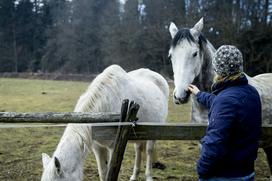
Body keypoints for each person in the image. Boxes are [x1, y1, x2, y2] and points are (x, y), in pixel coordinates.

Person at [188, 45, 262, 181]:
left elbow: (215, 143)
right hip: (247, 172)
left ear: (218, 70)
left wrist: (201, 170)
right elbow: (223, 103)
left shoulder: (225, 100)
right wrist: (199, 94)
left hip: (224, 175)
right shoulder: (251, 92)